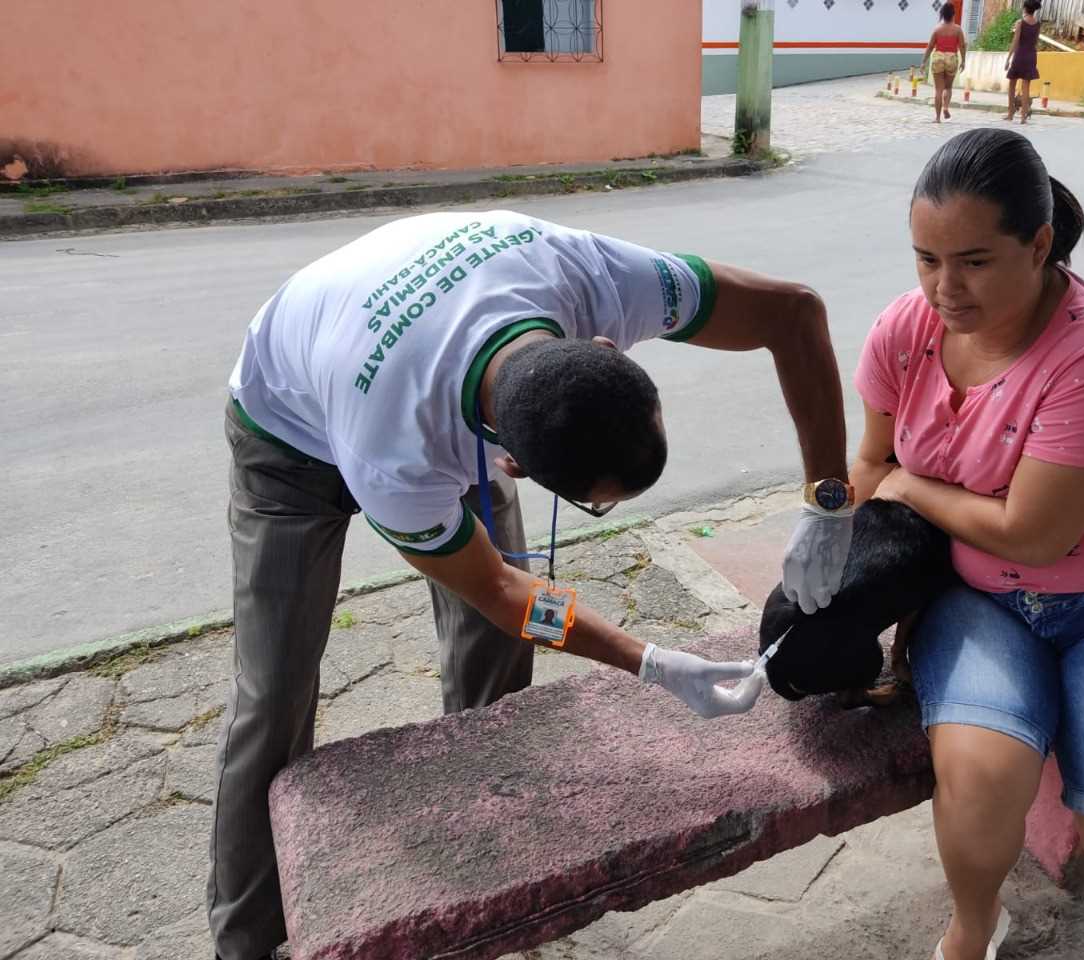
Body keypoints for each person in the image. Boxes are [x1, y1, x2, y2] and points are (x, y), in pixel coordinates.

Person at [210, 209, 855, 960]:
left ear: (606, 343)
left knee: (490, 648)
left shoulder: (591, 275)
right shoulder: (400, 458)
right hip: (288, 431)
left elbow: (793, 312)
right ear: (511, 462)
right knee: (274, 695)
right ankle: (246, 943)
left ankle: (491, 870)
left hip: (414, 361)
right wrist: (649, 661)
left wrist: (829, 500)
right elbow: (507, 594)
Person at [848, 130, 1084, 960]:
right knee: (984, 779)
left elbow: (1037, 532)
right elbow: (866, 462)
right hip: (976, 600)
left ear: (1040, 242)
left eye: (976, 262)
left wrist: (911, 488)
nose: (944, 288)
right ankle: (970, 930)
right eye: (926, 259)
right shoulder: (904, 330)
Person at [921, 2, 967, 123]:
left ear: (942, 14)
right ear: (953, 14)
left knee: (938, 90)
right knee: (948, 87)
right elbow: (962, 46)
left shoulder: (937, 29)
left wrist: (923, 62)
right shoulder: (958, 29)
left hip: (938, 58)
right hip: (951, 58)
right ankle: (945, 107)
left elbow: (930, 46)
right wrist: (963, 61)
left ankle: (937, 118)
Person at [1005, 0, 1042, 123]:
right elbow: (1036, 42)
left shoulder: (1020, 23)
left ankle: (1010, 114)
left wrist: (1008, 58)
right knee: (1026, 87)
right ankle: (1023, 117)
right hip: (1031, 55)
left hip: (1020, 55)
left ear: (1025, 8)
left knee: (1012, 85)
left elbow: (1015, 42)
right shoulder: (1038, 24)